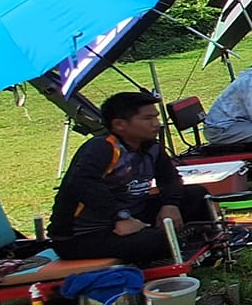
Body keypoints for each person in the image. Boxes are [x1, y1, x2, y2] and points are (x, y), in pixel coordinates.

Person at [50, 92, 212, 264]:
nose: (156, 124)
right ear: (119, 125)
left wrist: (170, 204)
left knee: (196, 195)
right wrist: (119, 218)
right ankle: (169, 246)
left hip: (133, 214)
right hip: (83, 234)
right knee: (159, 241)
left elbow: (170, 179)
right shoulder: (103, 148)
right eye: (148, 118)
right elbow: (82, 184)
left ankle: (194, 243)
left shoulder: (152, 147)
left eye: (156, 117)